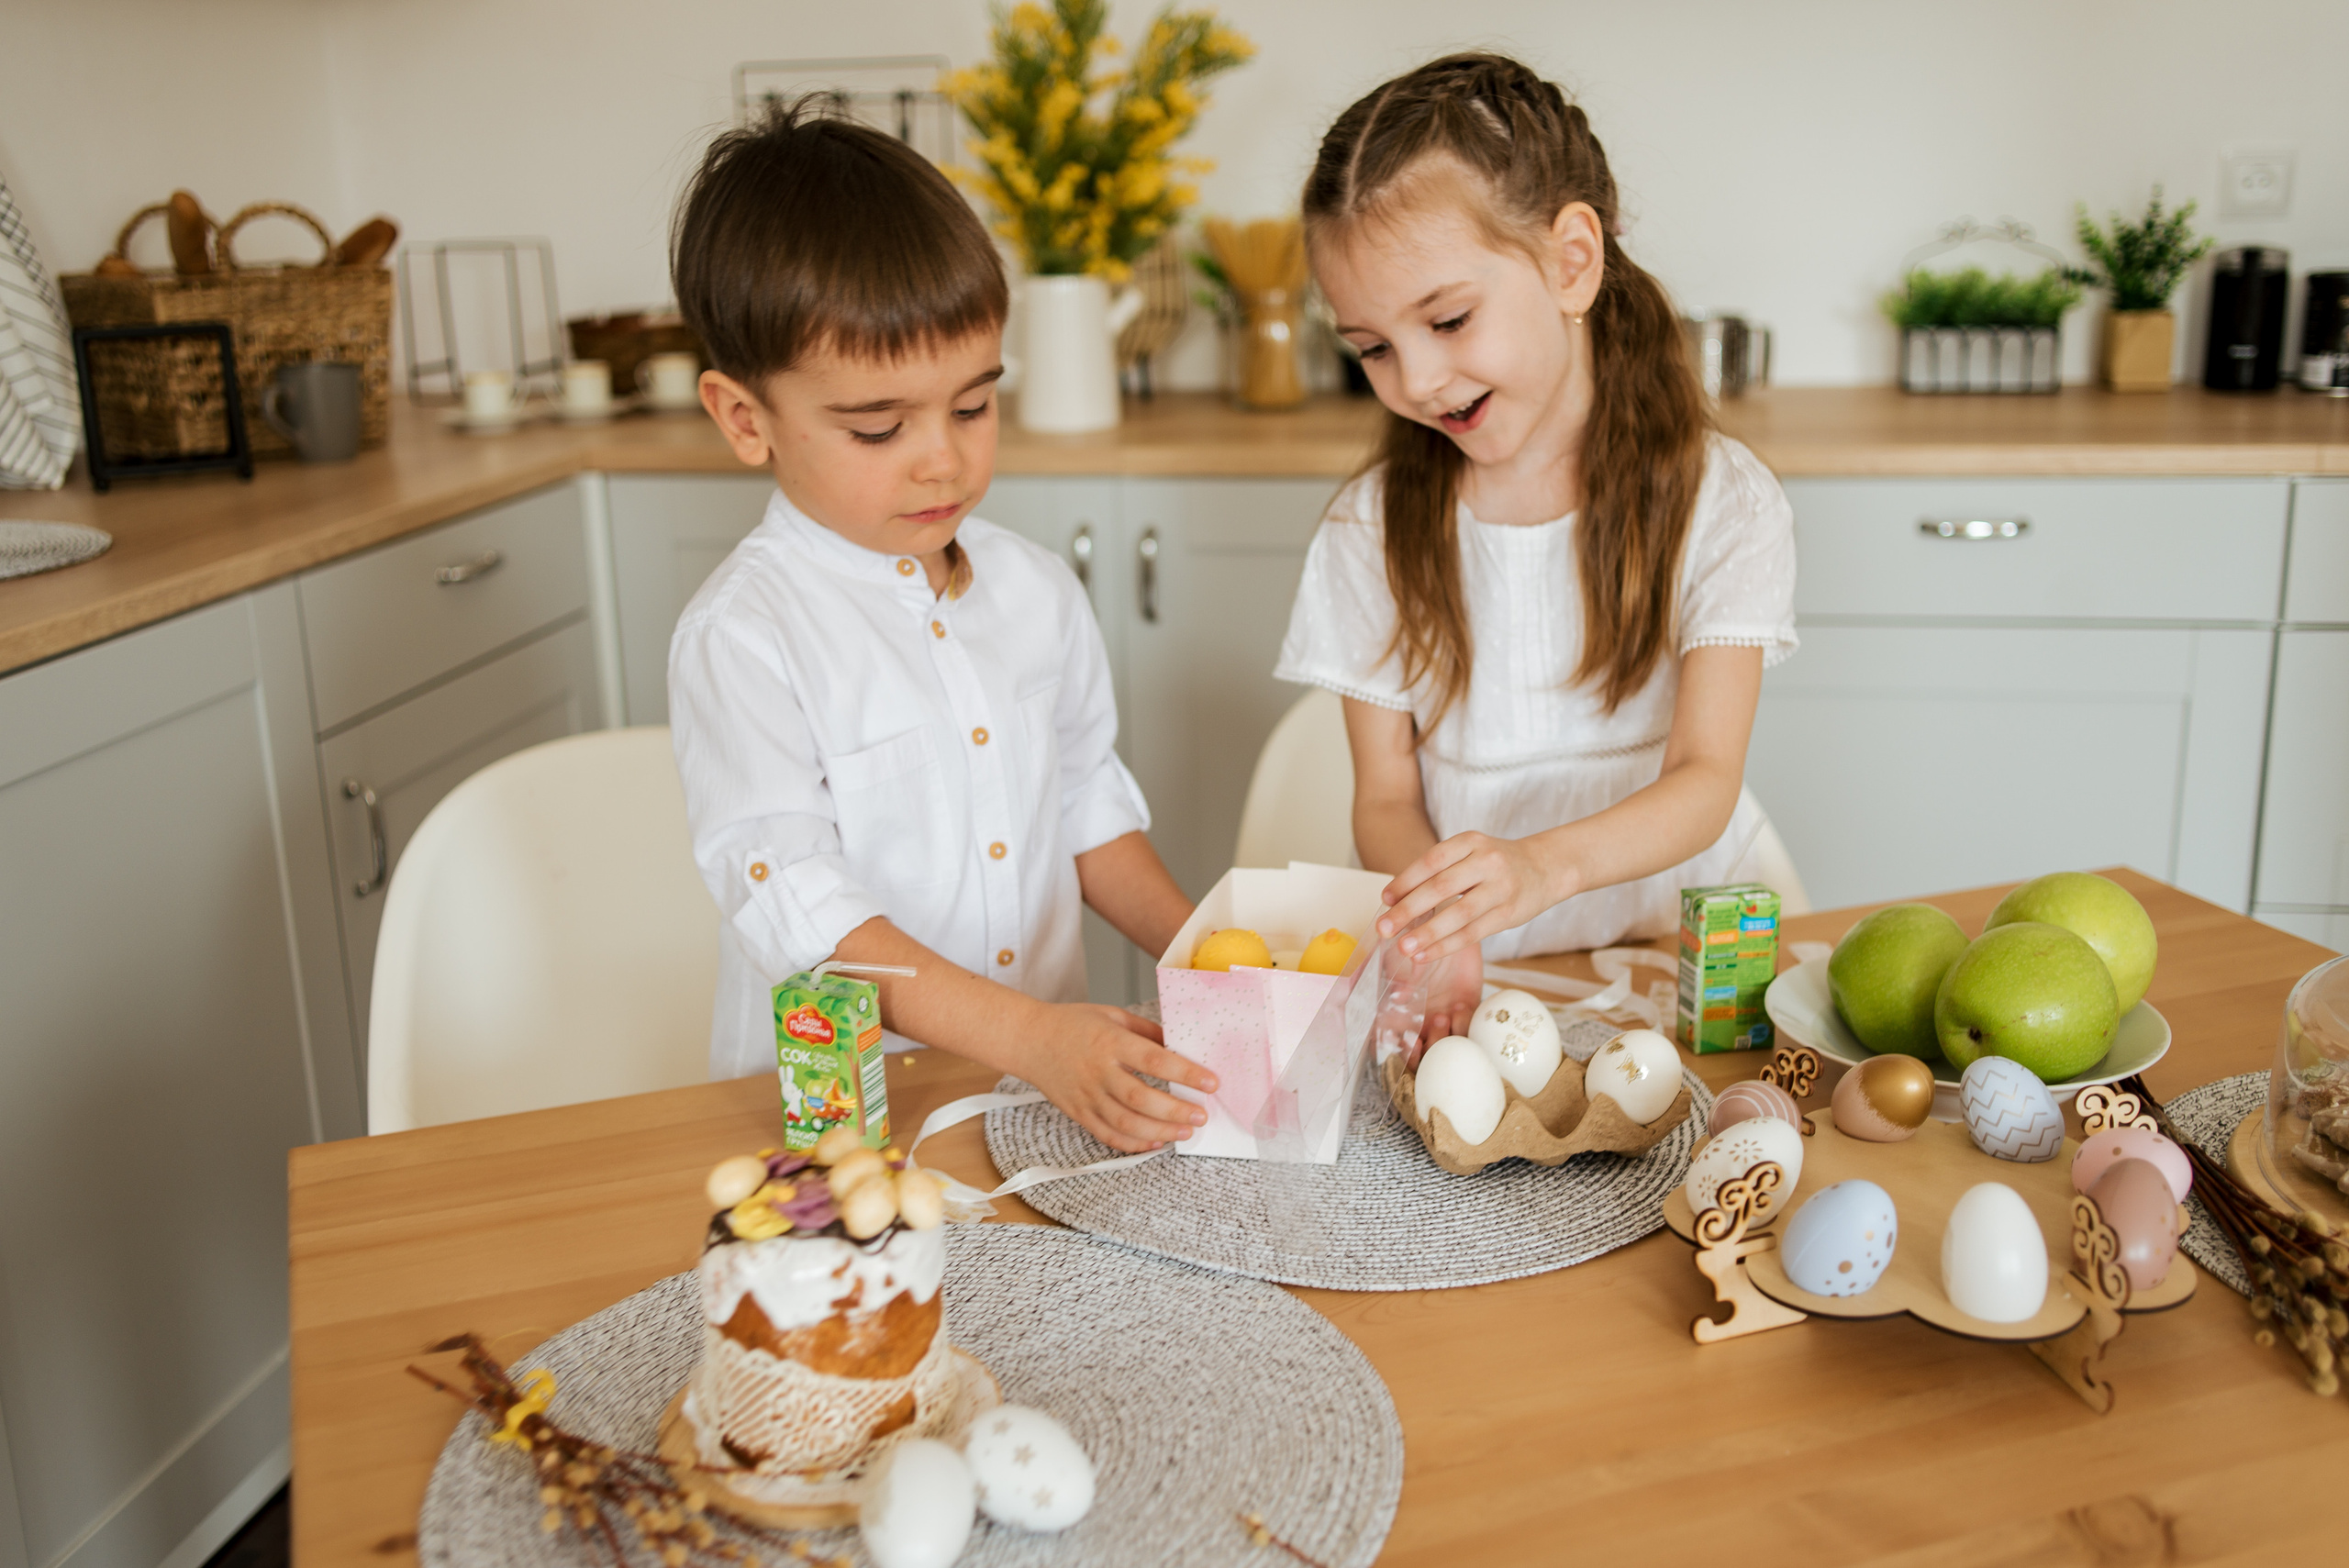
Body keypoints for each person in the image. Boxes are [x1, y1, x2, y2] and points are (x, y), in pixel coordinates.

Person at [665, 102, 1214, 1152]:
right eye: (879, 426)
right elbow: (805, 915)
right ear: (745, 419)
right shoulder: (745, 636)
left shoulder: (1037, 589)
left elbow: (1086, 803)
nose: (943, 461)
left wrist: (1203, 947)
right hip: (848, 1121)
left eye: (972, 407)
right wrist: (1033, 1037)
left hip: (1038, 1098)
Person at [1275, 53, 1798, 1040]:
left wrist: (1536, 867)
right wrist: (1447, 923)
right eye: (1374, 347)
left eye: (1447, 318)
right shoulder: (1370, 527)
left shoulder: (1718, 500)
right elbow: (1385, 797)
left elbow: (1702, 777)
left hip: (1680, 969)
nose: (1419, 379)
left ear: (1570, 261)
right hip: (1485, 980)